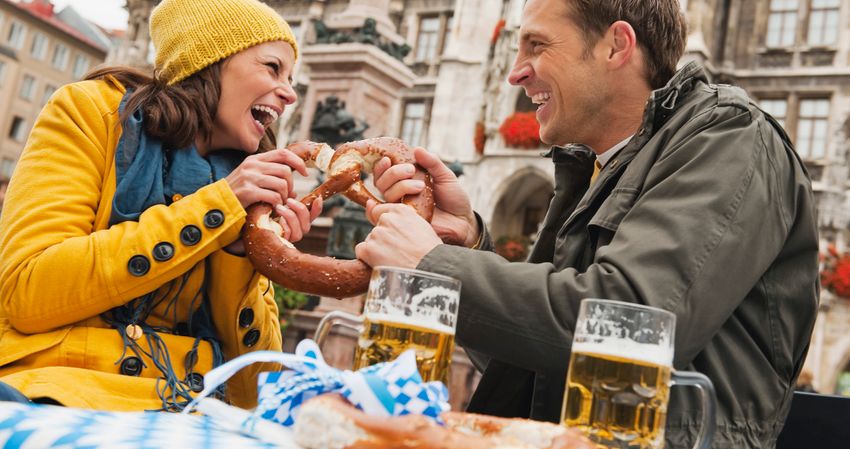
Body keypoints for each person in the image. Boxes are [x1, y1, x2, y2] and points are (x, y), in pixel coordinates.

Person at [355, 0, 819, 447]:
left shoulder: (729, 136)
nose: (516, 71)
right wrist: (468, 244)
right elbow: (529, 355)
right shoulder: (597, 167)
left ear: (617, 46)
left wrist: (433, 265)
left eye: (537, 45)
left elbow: (629, 322)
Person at [0, 0, 322, 410]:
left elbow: (252, 389)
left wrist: (238, 254)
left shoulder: (252, 188)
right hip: (51, 391)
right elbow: (30, 293)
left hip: (188, 411)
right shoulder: (88, 112)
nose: (290, 93)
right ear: (210, 60)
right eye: (272, 68)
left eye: (290, 77)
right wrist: (218, 206)